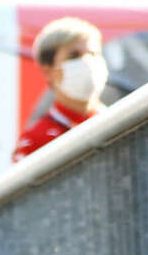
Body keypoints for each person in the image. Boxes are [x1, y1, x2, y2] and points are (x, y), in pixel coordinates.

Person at [14, 17, 108, 162]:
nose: (87, 62)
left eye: (93, 54)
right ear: (49, 71)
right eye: (74, 56)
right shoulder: (35, 140)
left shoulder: (116, 121)